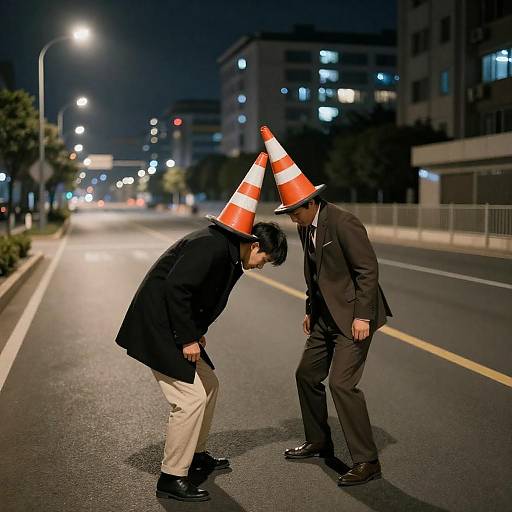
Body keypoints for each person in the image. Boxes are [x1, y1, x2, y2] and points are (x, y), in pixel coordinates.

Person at [116, 153, 288, 502]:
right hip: (159, 325)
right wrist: (188, 337)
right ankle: (171, 477)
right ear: (254, 245)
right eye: (264, 260)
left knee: (209, 385)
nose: (260, 266)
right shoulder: (211, 246)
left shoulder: (230, 254)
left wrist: (196, 329)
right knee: (190, 399)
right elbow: (177, 289)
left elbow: (202, 296)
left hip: (175, 325)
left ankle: (194, 457)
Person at [260, 126, 392, 487]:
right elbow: (315, 273)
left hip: (353, 318)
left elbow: (367, 270)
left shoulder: (344, 222)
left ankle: (367, 461)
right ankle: (319, 440)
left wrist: (363, 316)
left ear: (310, 203)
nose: (291, 218)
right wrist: (309, 309)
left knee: (342, 385)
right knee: (305, 374)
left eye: (293, 211)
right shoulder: (306, 227)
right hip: (324, 317)